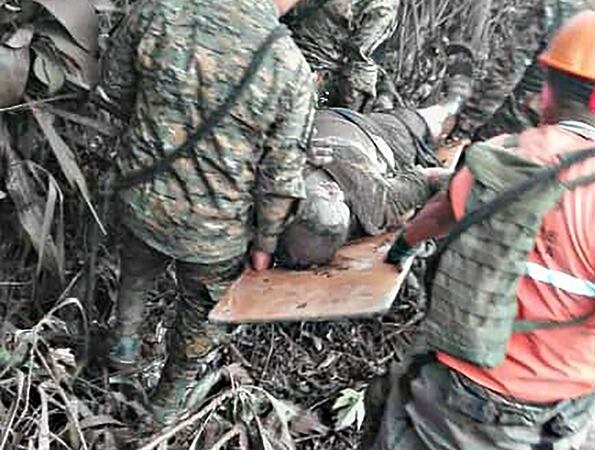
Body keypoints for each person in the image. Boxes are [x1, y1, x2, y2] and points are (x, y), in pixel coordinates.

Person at [367, 10, 595, 450]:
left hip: (447, 393)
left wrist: (400, 251)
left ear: (546, 90)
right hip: (541, 418)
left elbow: (433, 218)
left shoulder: (492, 156)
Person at [100, 0, 314, 424]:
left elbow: (113, 90)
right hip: (215, 232)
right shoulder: (289, 65)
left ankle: (121, 354)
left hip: (141, 198)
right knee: (201, 316)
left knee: (137, 271)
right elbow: (281, 176)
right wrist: (266, 243)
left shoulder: (161, 10)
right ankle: (161, 412)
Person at [277, 70, 473, 268]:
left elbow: (438, 179)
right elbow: (438, 179)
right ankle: (447, 103)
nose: (332, 190)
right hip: (374, 133)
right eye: (336, 198)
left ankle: (450, 103)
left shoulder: (276, 178)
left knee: (425, 120)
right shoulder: (374, 203)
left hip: (359, 126)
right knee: (424, 123)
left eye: (324, 193)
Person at [454, 0, 595, 141]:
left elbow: (505, 74)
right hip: (571, 154)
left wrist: (464, 126)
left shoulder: (558, 8)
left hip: (509, 133)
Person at [283, 0, 400, 110]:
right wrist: (351, 111)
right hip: (314, 82)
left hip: (279, 57)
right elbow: (359, 63)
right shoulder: (383, 5)